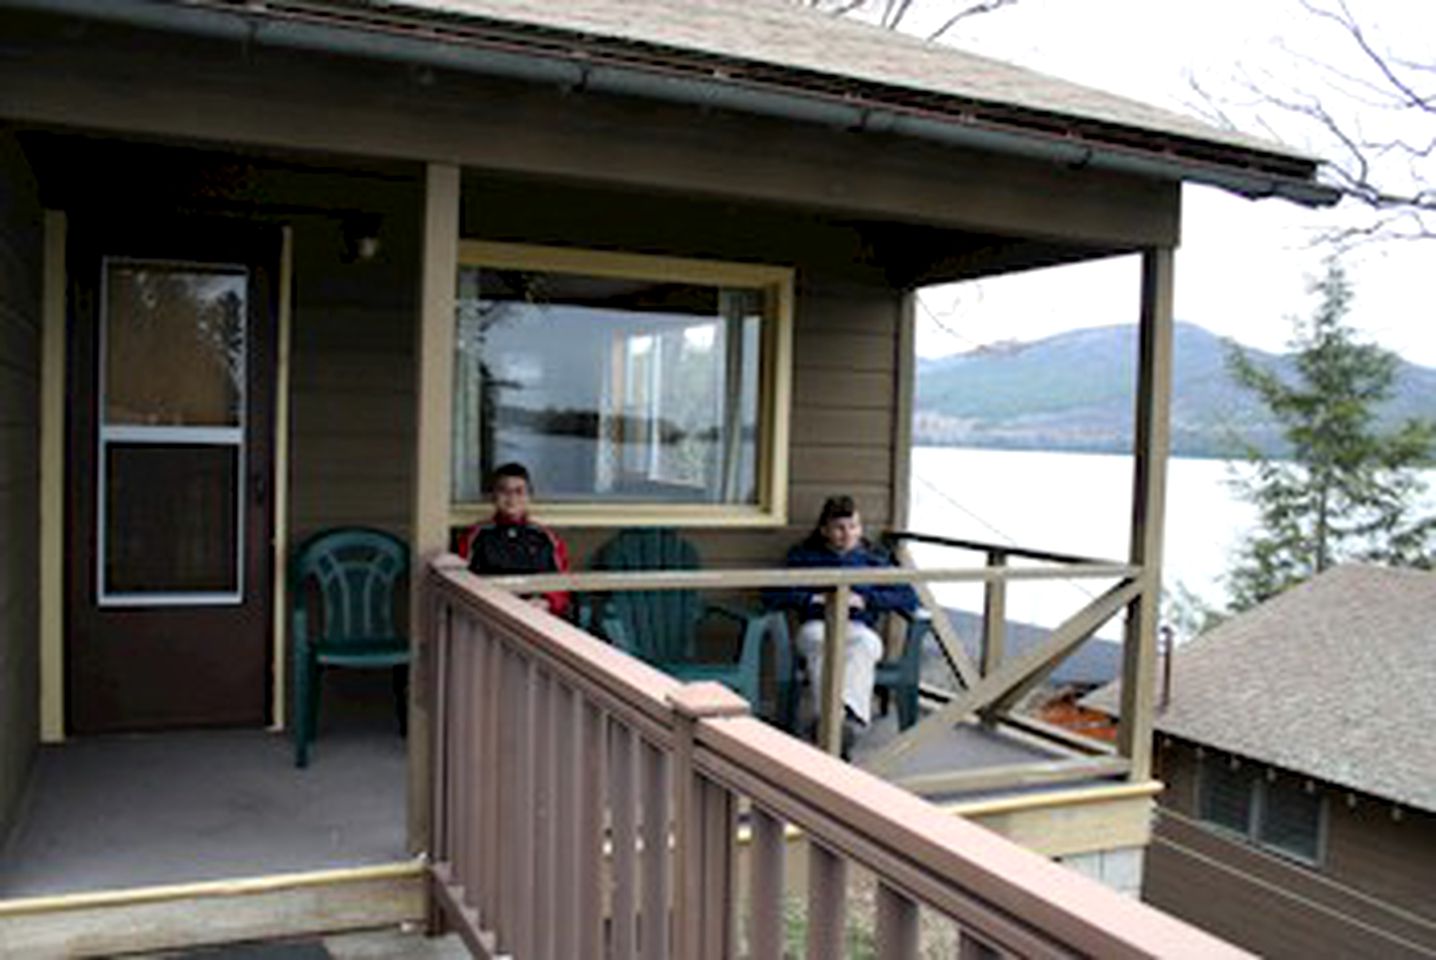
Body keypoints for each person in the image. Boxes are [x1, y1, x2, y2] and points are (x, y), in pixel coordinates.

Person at [768, 495, 917, 753]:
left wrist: (867, 599)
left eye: (853, 527)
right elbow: (773, 594)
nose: (847, 534)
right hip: (816, 626)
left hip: (857, 629)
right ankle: (839, 726)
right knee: (821, 644)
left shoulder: (875, 560)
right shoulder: (804, 557)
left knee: (865, 646)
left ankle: (839, 723)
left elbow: (908, 597)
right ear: (824, 530)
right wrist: (811, 598)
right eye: (839, 527)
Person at [457, 462, 571, 618]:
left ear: (529, 496)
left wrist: (547, 602)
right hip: (490, 613)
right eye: (504, 491)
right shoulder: (476, 536)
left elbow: (561, 584)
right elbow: (461, 582)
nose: (512, 498)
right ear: (493, 496)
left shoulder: (546, 538)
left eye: (519, 491)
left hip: (535, 615)